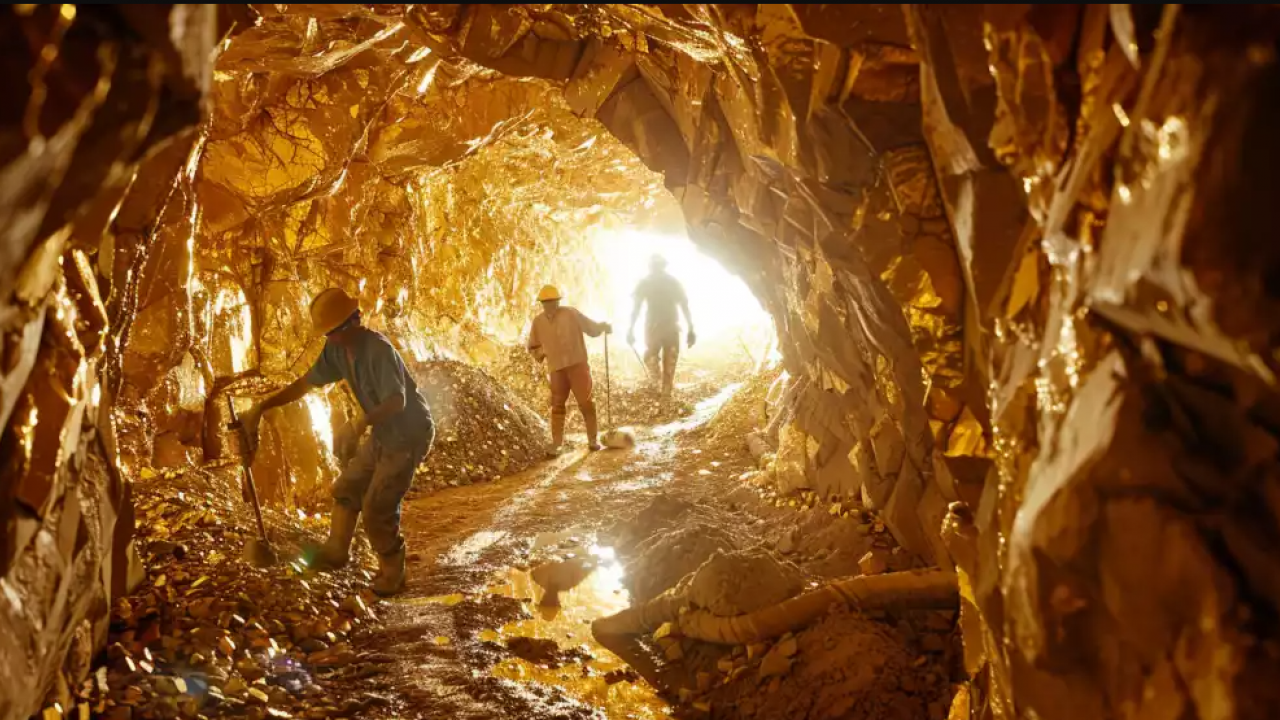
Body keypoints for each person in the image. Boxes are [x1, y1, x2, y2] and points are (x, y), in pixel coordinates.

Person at [238, 288, 434, 597]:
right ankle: (336, 551)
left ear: (355, 321)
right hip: (383, 433)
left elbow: (397, 400)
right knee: (346, 489)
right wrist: (262, 407)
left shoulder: (378, 350)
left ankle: (393, 572)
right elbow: (305, 383)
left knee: (376, 507)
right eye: (328, 334)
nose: (332, 338)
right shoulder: (337, 350)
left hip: (408, 434)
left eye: (337, 331)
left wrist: (358, 423)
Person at [526, 285, 612, 456]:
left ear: (558, 301)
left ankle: (592, 440)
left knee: (585, 401)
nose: (549, 305)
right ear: (542, 303)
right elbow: (532, 347)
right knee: (557, 405)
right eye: (546, 302)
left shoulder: (571, 314)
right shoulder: (538, 322)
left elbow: (591, 328)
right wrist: (543, 352)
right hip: (556, 369)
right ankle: (557, 443)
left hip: (577, 364)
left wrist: (602, 327)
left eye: (552, 301)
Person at [627, 254, 695, 400]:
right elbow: (684, 306)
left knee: (653, 358)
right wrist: (690, 329)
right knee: (669, 362)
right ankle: (664, 393)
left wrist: (630, 329)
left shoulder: (645, 283)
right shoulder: (672, 282)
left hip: (654, 327)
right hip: (670, 326)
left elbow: (636, 308)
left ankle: (658, 389)